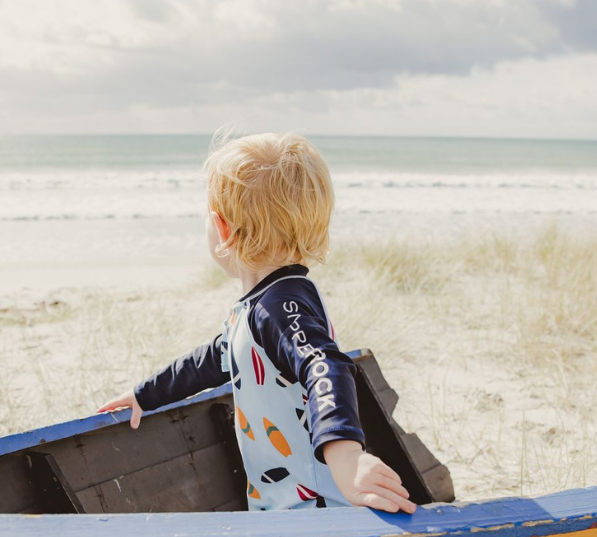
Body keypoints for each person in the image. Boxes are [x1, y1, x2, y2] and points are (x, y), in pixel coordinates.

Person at [97, 132, 415, 514]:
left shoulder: (280, 306)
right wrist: (143, 395)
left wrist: (346, 455)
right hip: (280, 501)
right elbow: (210, 360)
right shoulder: (258, 308)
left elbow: (325, 365)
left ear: (223, 229)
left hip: (316, 505)